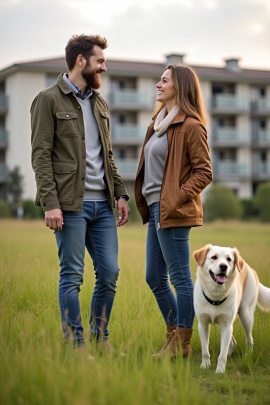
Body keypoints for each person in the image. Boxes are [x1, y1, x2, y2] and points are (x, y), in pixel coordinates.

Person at [31, 34, 130, 353]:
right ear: (81, 61)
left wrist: (120, 193)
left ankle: (100, 340)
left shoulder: (100, 103)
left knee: (110, 272)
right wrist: (51, 204)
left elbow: (108, 154)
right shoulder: (47, 99)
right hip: (69, 206)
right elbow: (40, 155)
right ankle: (76, 345)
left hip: (103, 206)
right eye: (100, 61)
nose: (104, 66)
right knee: (72, 276)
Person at [135, 64, 212, 359]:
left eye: (164, 81)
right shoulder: (157, 124)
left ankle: (182, 344)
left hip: (173, 211)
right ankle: (174, 336)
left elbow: (204, 172)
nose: (158, 85)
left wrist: (176, 198)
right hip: (157, 208)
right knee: (154, 277)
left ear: (179, 86)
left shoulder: (191, 125)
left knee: (180, 279)